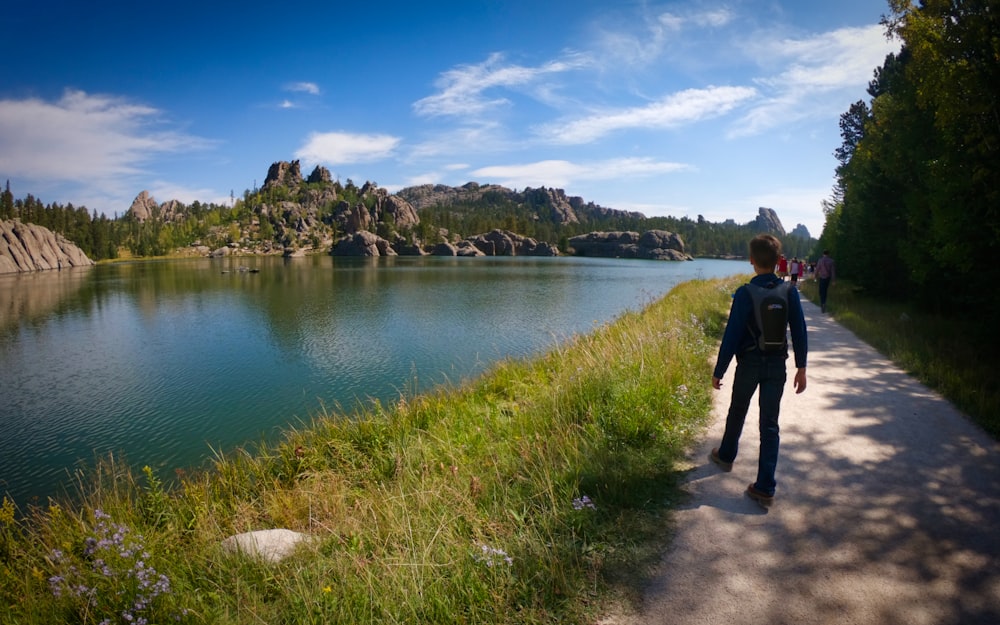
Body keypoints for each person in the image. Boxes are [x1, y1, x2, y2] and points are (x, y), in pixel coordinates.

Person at [709, 233, 807, 507]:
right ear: (779, 262)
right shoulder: (789, 292)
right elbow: (799, 331)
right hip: (777, 366)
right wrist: (802, 367)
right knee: (770, 424)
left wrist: (720, 370)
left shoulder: (744, 293)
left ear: (752, 261)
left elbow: (732, 335)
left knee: (737, 410)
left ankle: (726, 455)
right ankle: (765, 487)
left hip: (749, 364)